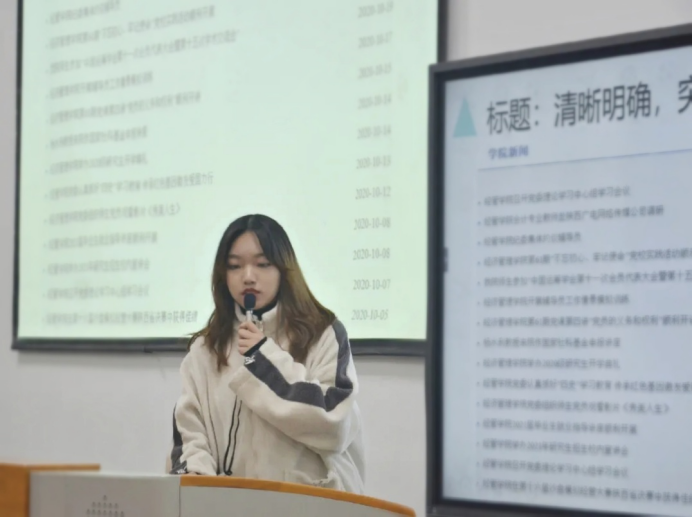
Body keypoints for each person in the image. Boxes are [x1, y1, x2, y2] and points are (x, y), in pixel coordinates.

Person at [169, 214, 365, 493]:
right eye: (235, 266)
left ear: (284, 269)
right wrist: (199, 480)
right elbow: (189, 433)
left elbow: (335, 424)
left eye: (262, 264)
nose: (248, 277)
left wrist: (263, 359)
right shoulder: (205, 349)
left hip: (308, 503)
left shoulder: (322, 333)